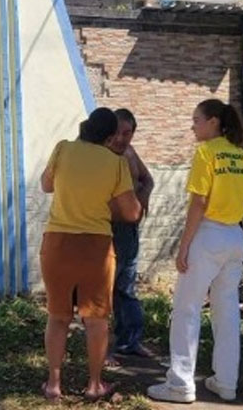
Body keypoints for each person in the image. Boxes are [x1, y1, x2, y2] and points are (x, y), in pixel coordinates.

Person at [147, 99, 243, 404]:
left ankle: (180, 385)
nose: (192, 125)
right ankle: (226, 382)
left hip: (208, 235)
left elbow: (198, 203)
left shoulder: (205, 153)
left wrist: (184, 246)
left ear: (213, 122)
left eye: (196, 120)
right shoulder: (239, 154)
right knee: (226, 312)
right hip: (235, 236)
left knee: (186, 309)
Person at [39, 108, 142, 402]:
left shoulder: (63, 148)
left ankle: (53, 385)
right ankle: (95, 385)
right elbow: (132, 212)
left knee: (58, 317)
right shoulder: (116, 162)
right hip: (96, 247)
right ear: (110, 137)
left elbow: (46, 185)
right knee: (96, 320)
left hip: (57, 243)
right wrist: (102, 202)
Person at [105, 109, 155, 363]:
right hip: (105, 229)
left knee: (126, 286)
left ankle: (130, 341)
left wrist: (141, 200)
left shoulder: (131, 154)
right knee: (103, 289)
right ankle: (101, 350)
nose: (120, 138)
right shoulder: (101, 156)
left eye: (127, 133)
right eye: (116, 132)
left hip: (129, 230)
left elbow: (148, 180)